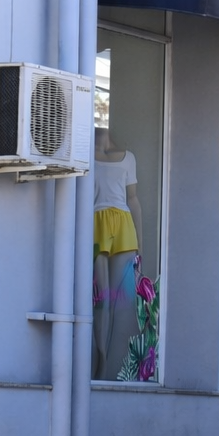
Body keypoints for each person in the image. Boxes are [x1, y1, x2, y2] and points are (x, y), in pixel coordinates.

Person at [92, 126, 144, 379]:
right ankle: (100, 363)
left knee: (118, 301)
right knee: (101, 300)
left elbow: (133, 199)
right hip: (95, 224)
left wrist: (140, 246)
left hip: (123, 225)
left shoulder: (128, 157)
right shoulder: (85, 154)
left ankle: (111, 365)